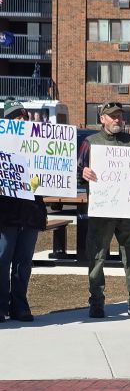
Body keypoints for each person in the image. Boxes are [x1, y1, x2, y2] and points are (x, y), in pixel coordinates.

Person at [77, 101, 130, 319]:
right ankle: (97, 302)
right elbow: (76, 170)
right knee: (97, 256)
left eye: (120, 115)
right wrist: (83, 173)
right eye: (112, 116)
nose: (117, 119)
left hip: (127, 211)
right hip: (102, 211)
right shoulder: (91, 142)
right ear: (102, 119)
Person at [0, 99, 47, 322]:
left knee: (23, 262)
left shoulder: (39, 145)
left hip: (30, 212)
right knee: (2, 258)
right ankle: (1, 305)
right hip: (5, 213)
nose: (20, 119)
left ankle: (19, 304)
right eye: (15, 117)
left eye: (23, 116)